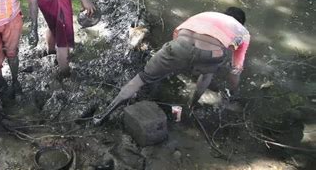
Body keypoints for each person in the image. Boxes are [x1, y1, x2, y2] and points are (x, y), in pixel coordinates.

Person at [93, 7, 250, 125]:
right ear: (241, 23)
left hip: (180, 45)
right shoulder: (242, 32)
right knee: (208, 73)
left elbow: (176, 35)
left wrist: (178, 63)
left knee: (141, 78)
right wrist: (233, 90)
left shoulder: (206, 15)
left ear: (222, 13)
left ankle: (103, 115)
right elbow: (236, 69)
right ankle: (192, 105)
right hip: (209, 55)